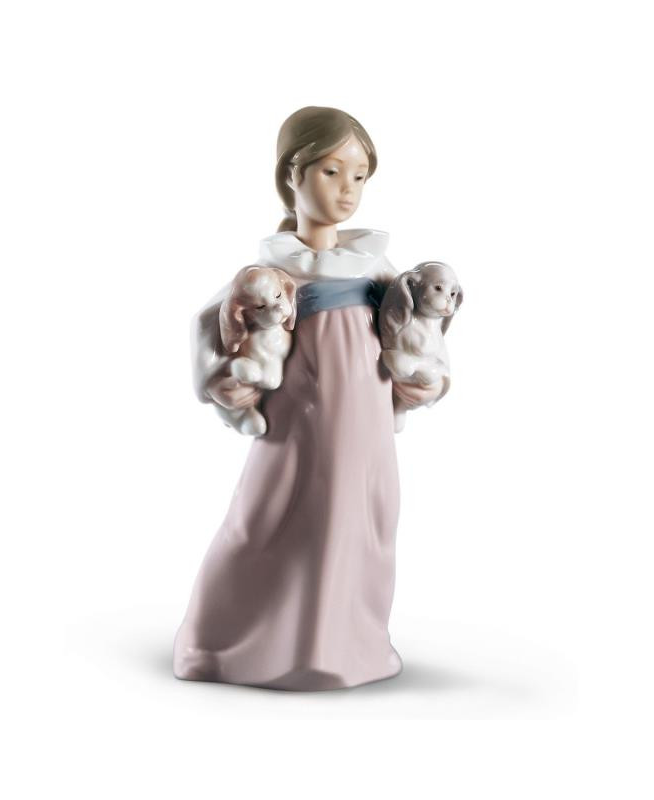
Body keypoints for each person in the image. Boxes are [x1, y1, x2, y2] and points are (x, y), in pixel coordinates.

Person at [173, 106, 445, 690]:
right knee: (271, 517)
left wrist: (422, 373)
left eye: (360, 176)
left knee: (363, 516)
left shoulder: (370, 263)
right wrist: (230, 378)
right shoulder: (276, 269)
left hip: (365, 411)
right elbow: (212, 322)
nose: (348, 189)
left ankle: (344, 644)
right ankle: (225, 642)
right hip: (300, 416)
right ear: (292, 175)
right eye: (331, 171)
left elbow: (413, 322)